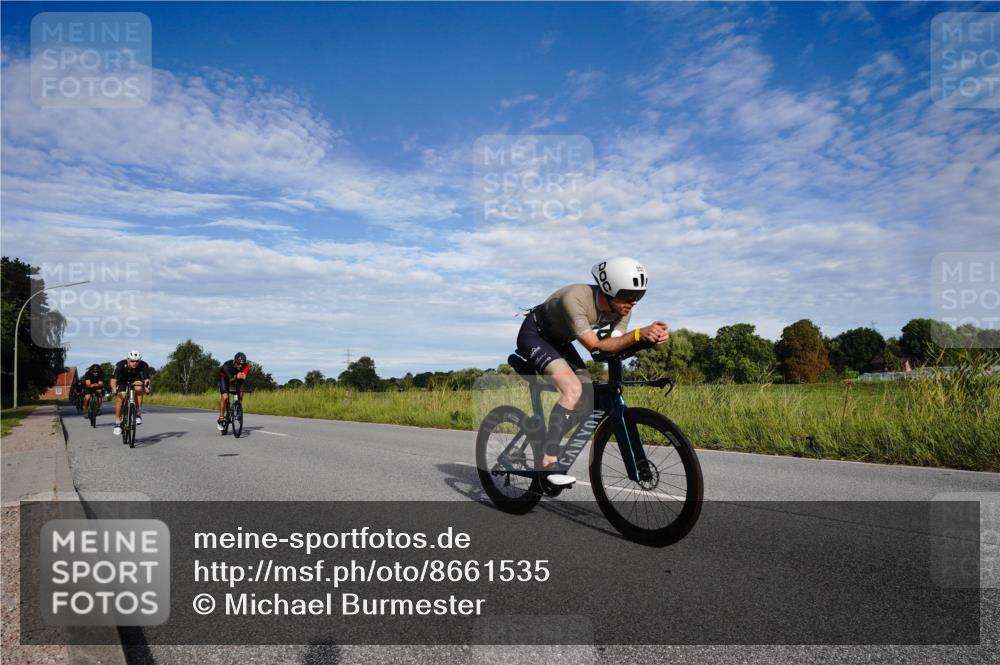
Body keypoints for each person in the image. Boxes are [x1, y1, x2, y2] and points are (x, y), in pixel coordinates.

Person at [515, 257, 669, 486]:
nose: (633, 302)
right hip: (535, 335)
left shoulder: (624, 309)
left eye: (639, 295)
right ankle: (548, 460)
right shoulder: (574, 299)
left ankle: (552, 432)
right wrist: (637, 335)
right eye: (628, 294)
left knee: (586, 395)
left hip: (561, 341)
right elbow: (595, 346)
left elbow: (613, 347)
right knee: (572, 389)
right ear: (608, 289)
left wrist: (649, 340)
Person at [111, 350, 151, 437]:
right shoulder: (120, 365)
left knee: (139, 388)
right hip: (122, 380)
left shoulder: (144, 365)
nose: (135, 363)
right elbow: (113, 380)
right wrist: (114, 389)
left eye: (137, 361)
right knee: (121, 398)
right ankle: (118, 423)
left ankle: (138, 413)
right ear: (128, 359)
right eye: (132, 361)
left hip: (135, 379)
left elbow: (146, 379)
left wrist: (147, 387)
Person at [218, 352, 251, 430]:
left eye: (242, 364)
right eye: (238, 364)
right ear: (234, 361)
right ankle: (221, 417)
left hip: (237, 377)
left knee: (241, 390)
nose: (240, 366)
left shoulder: (244, 365)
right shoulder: (227, 366)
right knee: (225, 397)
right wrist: (236, 376)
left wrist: (244, 373)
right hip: (225, 378)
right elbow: (230, 380)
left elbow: (248, 367)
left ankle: (238, 406)